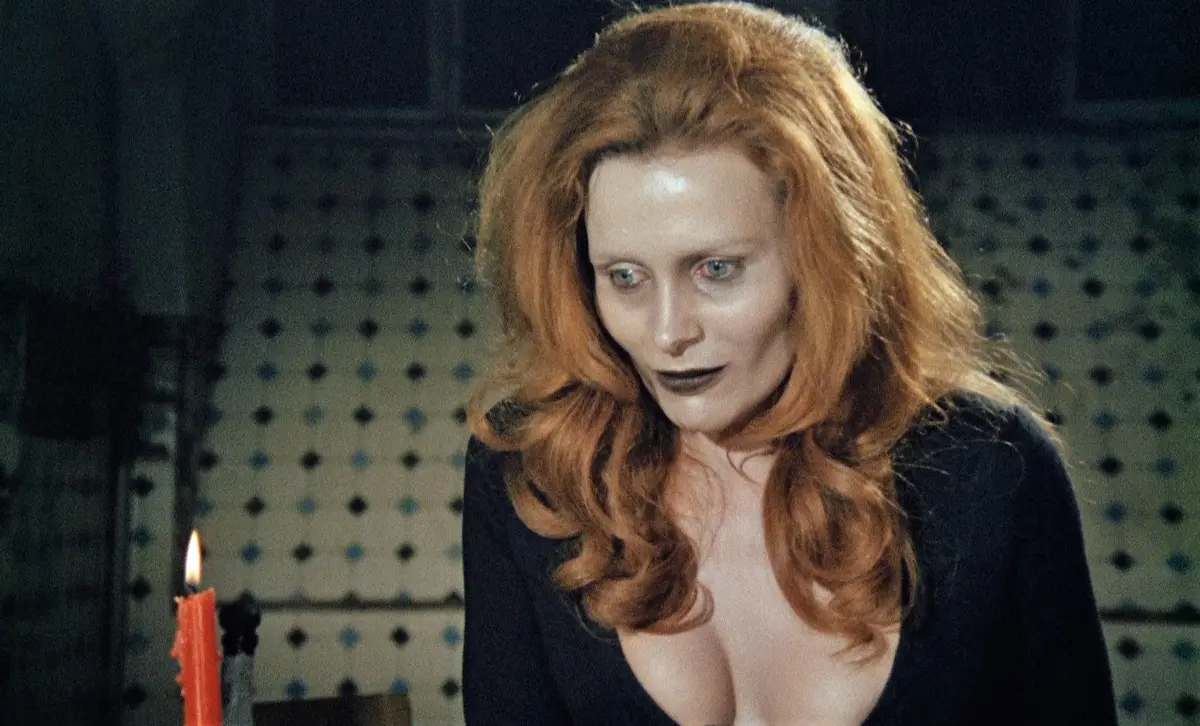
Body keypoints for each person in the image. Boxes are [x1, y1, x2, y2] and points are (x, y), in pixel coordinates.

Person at [460, 3, 1118, 724]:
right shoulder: (533, 468)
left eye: (716, 269)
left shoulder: (991, 466)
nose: (668, 332)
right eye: (625, 276)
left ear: (826, 255)